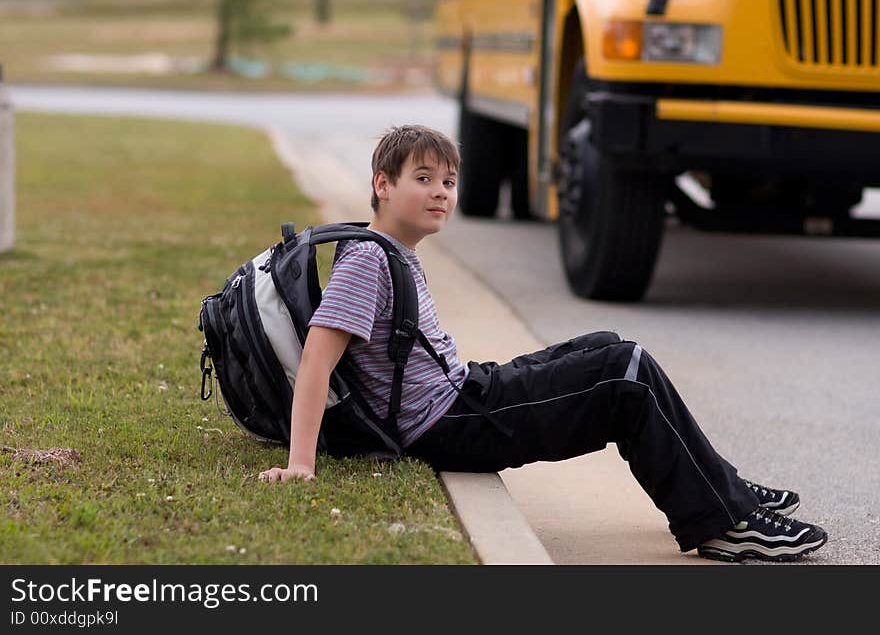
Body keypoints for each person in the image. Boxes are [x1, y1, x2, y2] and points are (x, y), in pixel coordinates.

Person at [258, 125, 828, 563]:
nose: (441, 194)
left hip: (464, 393)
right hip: (449, 423)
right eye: (424, 178)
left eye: (449, 182)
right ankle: (725, 525)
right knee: (621, 370)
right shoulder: (367, 261)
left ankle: (721, 487)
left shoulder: (391, 251)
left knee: (608, 344)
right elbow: (317, 357)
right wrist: (301, 464)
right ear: (383, 185)